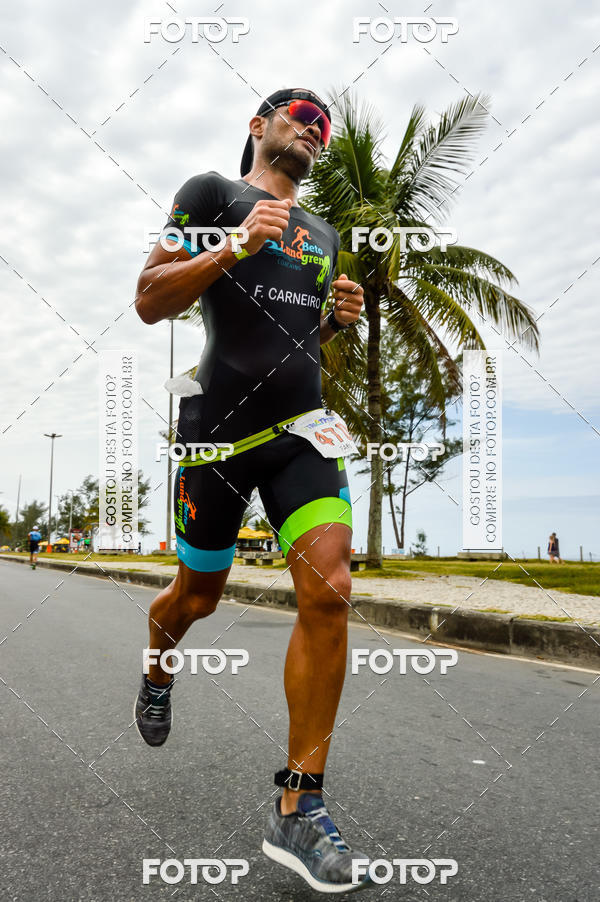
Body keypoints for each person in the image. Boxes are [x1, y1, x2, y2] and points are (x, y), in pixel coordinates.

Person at [134, 88, 371, 893]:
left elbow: (291, 340)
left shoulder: (323, 234)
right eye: (299, 112)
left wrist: (333, 323)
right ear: (259, 125)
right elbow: (149, 299)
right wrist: (233, 246)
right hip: (217, 436)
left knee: (331, 590)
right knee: (195, 598)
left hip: (302, 431)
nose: (312, 127)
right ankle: (158, 669)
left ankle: (299, 806)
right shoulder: (211, 195)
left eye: (323, 125)